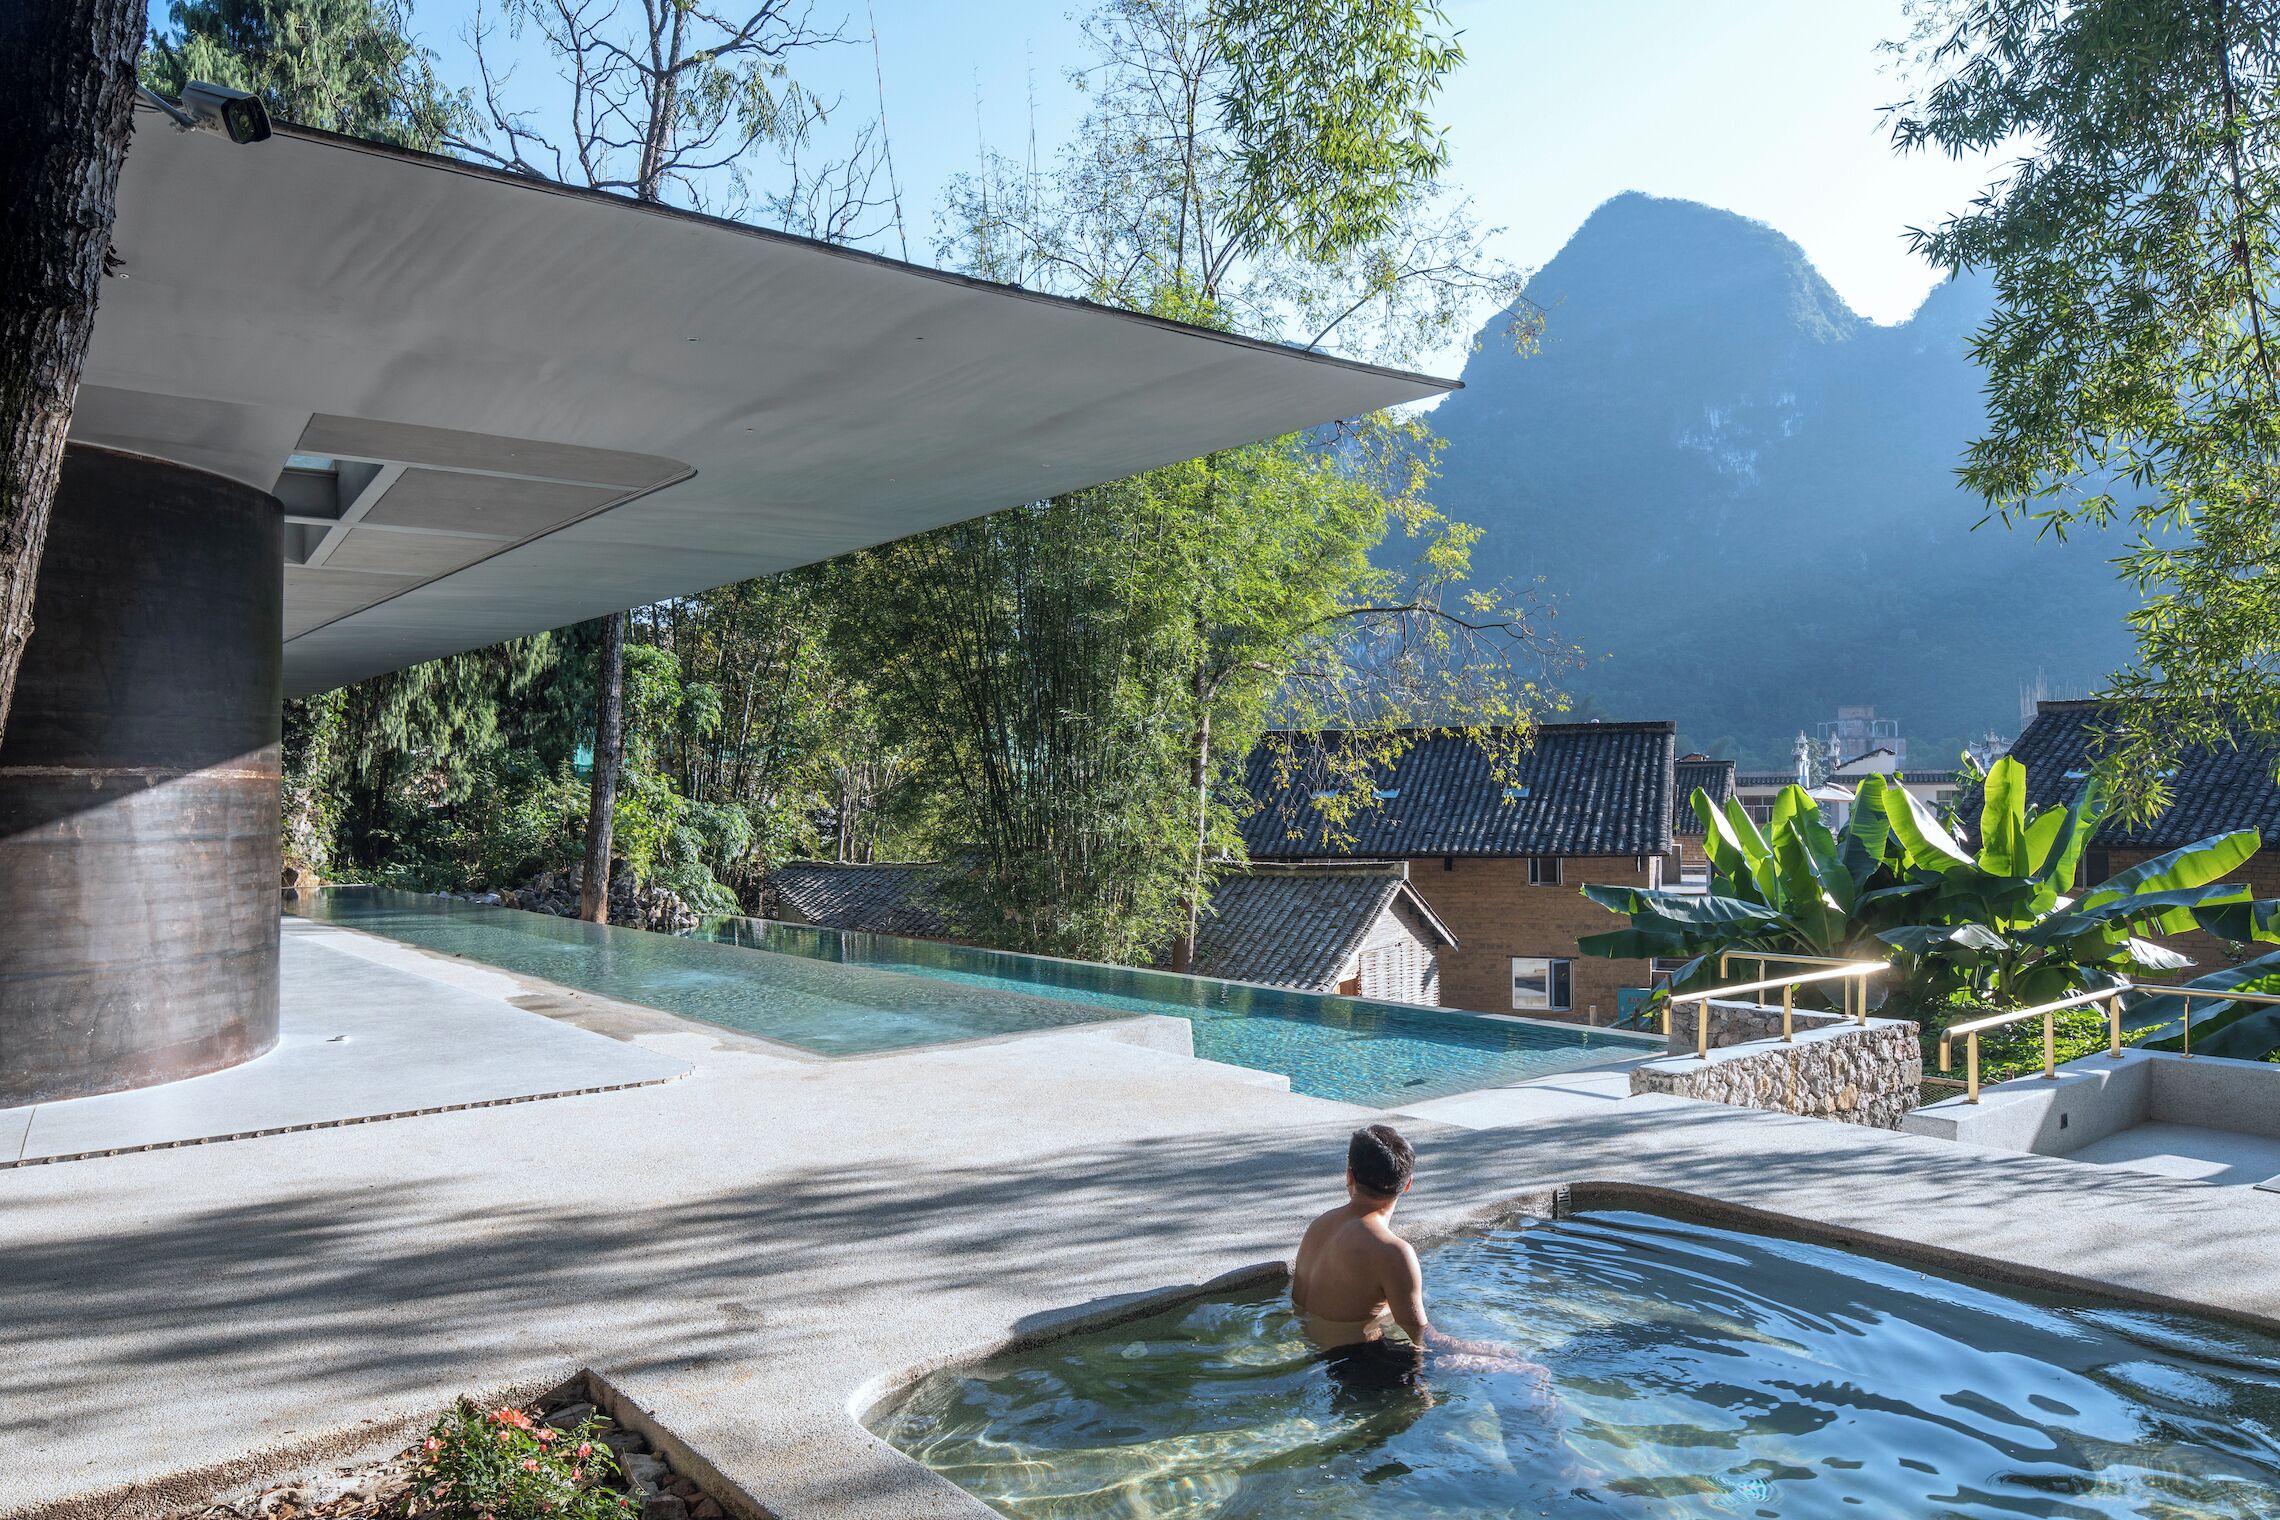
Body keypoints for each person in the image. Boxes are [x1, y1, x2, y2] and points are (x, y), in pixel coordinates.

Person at [1290, 1124, 1554, 1398]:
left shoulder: (1320, 1225)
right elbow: (1426, 1339)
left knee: (1509, 1358)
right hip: (1362, 1366)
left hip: (1320, 1354)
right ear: (1407, 1185)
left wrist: (1496, 1352)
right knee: (1531, 1373)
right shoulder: (1392, 1251)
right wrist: (1488, 1350)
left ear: (1349, 1175)